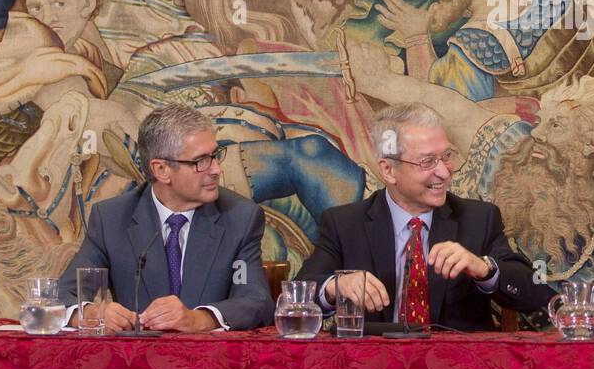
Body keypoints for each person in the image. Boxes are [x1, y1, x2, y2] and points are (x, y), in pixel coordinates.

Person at [296, 102, 549, 330]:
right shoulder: (344, 224)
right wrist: (334, 287)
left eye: (446, 157)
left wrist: (484, 268)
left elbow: (536, 293)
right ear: (388, 170)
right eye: (427, 162)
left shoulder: (478, 219)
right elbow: (298, 297)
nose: (444, 172)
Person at [56, 103, 273, 332]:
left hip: (210, 361)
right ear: (161, 170)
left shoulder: (240, 218)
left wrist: (199, 319)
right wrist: (91, 313)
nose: (216, 169)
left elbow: (256, 301)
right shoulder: (111, 219)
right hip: (135, 361)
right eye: (201, 161)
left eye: (215, 156)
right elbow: (62, 294)